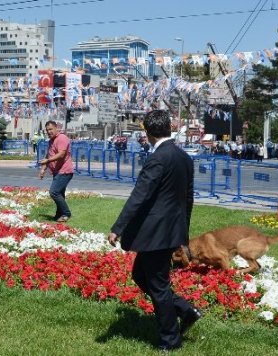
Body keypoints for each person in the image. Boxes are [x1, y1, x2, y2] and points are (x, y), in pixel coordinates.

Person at [107, 110, 201, 351]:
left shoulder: (158, 158)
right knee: (140, 275)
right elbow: (188, 199)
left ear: (147, 132)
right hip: (171, 231)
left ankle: (170, 339)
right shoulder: (184, 157)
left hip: (156, 233)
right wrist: (183, 232)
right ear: (168, 128)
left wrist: (118, 227)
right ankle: (184, 309)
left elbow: (140, 195)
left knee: (157, 285)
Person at [39, 121, 74, 222]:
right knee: (60, 194)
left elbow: (61, 154)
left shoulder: (62, 138)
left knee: (54, 192)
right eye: (47, 130)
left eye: (51, 129)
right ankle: (59, 215)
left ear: (56, 128)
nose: (49, 132)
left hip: (64, 171)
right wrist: (43, 169)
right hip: (57, 171)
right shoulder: (51, 140)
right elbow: (48, 155)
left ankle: (66, 213)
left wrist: (48, 160)